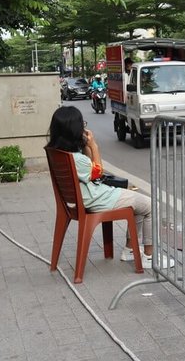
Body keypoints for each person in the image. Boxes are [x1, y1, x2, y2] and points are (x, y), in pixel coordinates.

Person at [45, 106, 172, 269]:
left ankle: (130, 250)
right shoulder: (77, 159)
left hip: (86, 198)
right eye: (82, 125)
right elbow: (98, 172)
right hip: (97, 199)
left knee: (139, 204)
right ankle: (150, 256)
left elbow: (89, 168)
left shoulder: (58, 153)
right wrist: (94, 146)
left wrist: (85, 146)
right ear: (74, 130)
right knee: (152, 205)